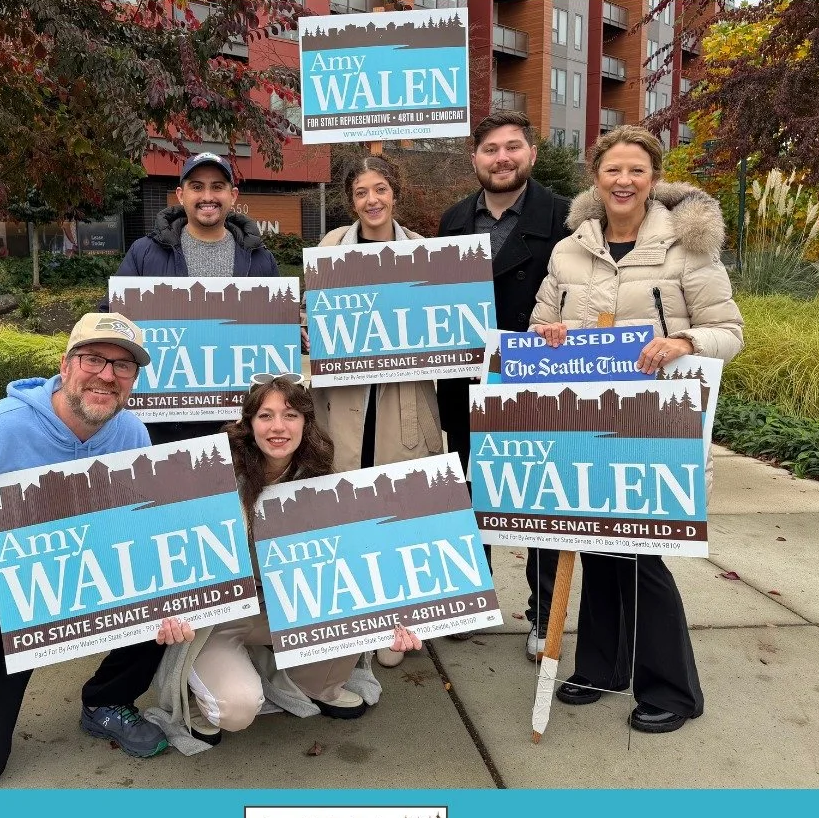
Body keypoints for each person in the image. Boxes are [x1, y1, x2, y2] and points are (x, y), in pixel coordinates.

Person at [0, 313, 174, 787]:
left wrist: (166, 601)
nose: (107, 375)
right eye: (94, 360)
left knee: (171, 611)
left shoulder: (132, 435)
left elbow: (141, 531)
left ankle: (107, 699)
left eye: (123, 366)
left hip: (75, 592)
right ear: (65, 366)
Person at [530, 124, 744, 733]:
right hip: (584, 423)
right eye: (613, 170)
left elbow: (729, 331)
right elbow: (542, 322)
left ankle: (672, 688)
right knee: (595, 547)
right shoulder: (570, 249)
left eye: (637, 171)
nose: (624, 181)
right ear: (595, 177)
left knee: (644, 555)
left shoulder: (686, 247)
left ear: (654, 179)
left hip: (656, 426)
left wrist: (683, 340)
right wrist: (545, 335)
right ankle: (601, 667)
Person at [144, 377, 420, 754]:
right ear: (248, 422)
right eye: (266, 415)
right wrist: (170, 609)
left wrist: (398, 616)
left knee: (353, 633)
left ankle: (303, 680)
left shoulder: (323, 479)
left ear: (306, 423)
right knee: (237, 709)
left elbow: (361, 567)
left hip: (290, 608)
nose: (278, 426)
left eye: (290, 415)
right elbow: (171, 555)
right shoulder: (215, 477)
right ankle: (200, 691)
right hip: (224, 615)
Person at [437, 113, 571, 659]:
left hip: (534, 381)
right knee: (471, 491)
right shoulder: (452, 220)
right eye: (490, 149)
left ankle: (543, 615)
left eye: (512, 147)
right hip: (465, 381)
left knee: (539, 497)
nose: (502, 158)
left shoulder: (564, 217)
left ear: (532, 154)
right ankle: (472, 597)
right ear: (475, 158)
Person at [311, 154, 444, 668]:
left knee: (399, 508)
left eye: (380, 189)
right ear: (350, 201)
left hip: (402, 397)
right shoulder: (329, 250)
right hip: (344, 402)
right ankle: (351, 615)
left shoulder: (424, 254)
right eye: (362, 192)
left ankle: (397, 618)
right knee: (345, 504)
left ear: (395, 193)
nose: (372, 200)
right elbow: (316, 317)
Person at [107, 150, 280, 445]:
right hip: (162, 426)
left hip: (238, 426)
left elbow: (276, 332)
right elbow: (112, 322)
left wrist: (296, 332)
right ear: (180, 194)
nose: (207, 196)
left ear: (233, 195)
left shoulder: (261, 260)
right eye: (197, 186)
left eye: (217, 186)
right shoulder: (144, 253)